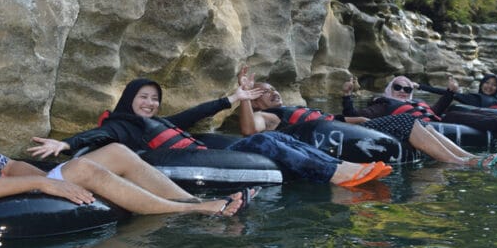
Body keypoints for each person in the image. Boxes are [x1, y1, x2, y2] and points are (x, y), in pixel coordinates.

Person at [0, 65, 249, 217]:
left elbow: (3, 165)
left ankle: (188, 201)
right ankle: (196, 212)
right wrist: (44, 181)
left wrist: (40, 174)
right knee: (82, 166)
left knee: (114, 152)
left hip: (7, 193)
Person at [28, 77, 389, 188]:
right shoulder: (122, 125)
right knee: (265, 139)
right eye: (144, 98)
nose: (151, 104)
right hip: (185, 162)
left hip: (202, 150)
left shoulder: (161, 121)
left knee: (277, 137)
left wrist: (232, 98)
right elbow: (94, 136)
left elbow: (194, 113)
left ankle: (340, 167)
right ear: (129, 99)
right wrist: (65, 143)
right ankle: (339, 176)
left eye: (155, 99)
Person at [239, 71, 497, 169]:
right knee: (406, 124)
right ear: (255, 101)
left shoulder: (293, 108)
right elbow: (250, 131)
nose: (273, 93)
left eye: (274, 89)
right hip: (321, 139)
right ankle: (461, 162)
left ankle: (467, 157)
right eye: (263, 92)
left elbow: (344, 121)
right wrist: (243, 99)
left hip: (346, 131)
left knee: (416, 124)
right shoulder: (269, 117)